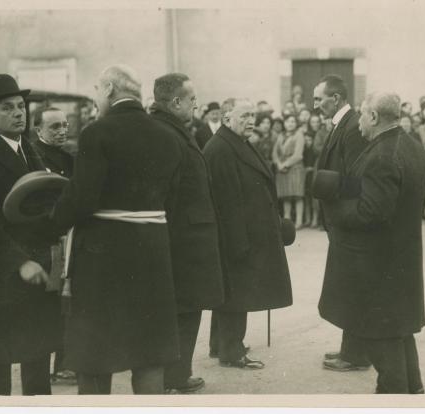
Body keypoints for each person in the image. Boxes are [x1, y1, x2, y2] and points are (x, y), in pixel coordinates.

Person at [50, 64, 182, 394]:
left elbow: (81, 199)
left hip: (103, 258)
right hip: (153, 254)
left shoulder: (98, 132)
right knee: (149, 354)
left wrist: (46, 226)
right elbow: (174, 198)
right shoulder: (168, 136)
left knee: (95, 357)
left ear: (109, 89)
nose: (96, 97)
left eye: (97, 89)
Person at [313, 92, 425, 394]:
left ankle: (394, 397)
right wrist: (342, 185)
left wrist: (334, 208)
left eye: (362, 115)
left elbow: (371, 212)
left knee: (381, 336)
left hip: (377, 265)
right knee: (400, 331)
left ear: (375, 117)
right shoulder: (410, 146)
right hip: (400, 260)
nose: (359, 121)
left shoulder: (381, 155)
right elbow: (383, 194)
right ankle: (413, 390)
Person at [0, 74, 61, 395]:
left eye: (21, 106)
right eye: (8, 108)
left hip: (36, 271)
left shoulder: (32, 152)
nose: (19, 113)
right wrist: (18, 262)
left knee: (37, 358)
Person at [150, 73, 225, 393]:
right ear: (175, 101)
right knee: (183, 308)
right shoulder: (164, 131)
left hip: (187, 235)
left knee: (187, 307)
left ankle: (178, 373)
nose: (196, 103)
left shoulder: (173, 127)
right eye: (191, 98)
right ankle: (174, 376)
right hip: (182, 237)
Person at [203, 100, 293, 370]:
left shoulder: (235, 142)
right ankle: (231, 351)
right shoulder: (221, 148)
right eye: (244, 116)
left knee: (231, 292)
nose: (250, 120)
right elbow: (226, 200)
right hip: (237, 235)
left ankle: (221, 344)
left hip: (247, 232)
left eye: (253, 115)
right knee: (236, 292)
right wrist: (237, 242)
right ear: (228, 119)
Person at [313, 74, 370, 372]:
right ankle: (350, 351)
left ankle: (356, 355)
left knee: (353, 286)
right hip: (339, 221)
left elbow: (358, 180)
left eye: (318, 98)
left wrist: (326, 186)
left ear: (335, 98)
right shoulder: (343, 124)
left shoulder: (351, 127)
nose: (314, 105)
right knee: (348, 286)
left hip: (347, 222)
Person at [30, 106, 76, 385]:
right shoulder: (35, 156)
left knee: (65, 299)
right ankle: (46, 364)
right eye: (54, 127)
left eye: (64, 125)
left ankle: (63, 362)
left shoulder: (69, 158)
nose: (61, 131)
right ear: (38, 130)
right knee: (50, 299)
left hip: (66, 232)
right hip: (45, 235)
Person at [272, 114, 305, 229]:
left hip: (295, 168)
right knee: (286, 195)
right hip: (282, 168)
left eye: (292, 121)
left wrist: (286, 164)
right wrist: (279, 164)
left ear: (296, 124)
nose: (290, 124)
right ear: (284, 124)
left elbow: (298, 155)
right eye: (287, 122)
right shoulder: (280, 136)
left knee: (297, 195)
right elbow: (274, 152)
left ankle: (299, 221)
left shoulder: (299, 135)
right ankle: (287, 221)